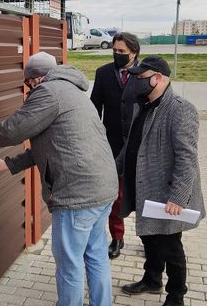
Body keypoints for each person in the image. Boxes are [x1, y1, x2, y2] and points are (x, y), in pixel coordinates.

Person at [0, 51, 118, 306]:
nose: (28, 88)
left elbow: (16, 128)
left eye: (28, 83)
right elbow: (53, 145)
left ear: (37, 78)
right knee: (96, 255)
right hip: (102, 188)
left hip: (77, 195)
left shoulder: (48, 93)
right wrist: (10, 164)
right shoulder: (72, 91)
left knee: (69, 264)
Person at [117, 55, 206, 306]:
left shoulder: (180, 109)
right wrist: (116, 169)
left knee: (170, 245)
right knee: (149, 237)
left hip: (166, 194)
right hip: (144, 187)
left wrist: (177, 197)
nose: (135, 81)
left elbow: (187, 158)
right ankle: (152, 279)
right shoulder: (142, 105)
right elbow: (131, 145)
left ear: (158, 78)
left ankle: (176, 295)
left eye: (140, 77)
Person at [90, 32, 140, 259]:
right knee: (115, 195)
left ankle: (149, 241)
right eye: (115, 50)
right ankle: (117, 238)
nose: (117, 54)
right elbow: (94, 108)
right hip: (110, 145)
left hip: (139, 145)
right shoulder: (103, 73)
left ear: (134, 53)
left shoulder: (145, 74)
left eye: (122, 52)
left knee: (143, 195)